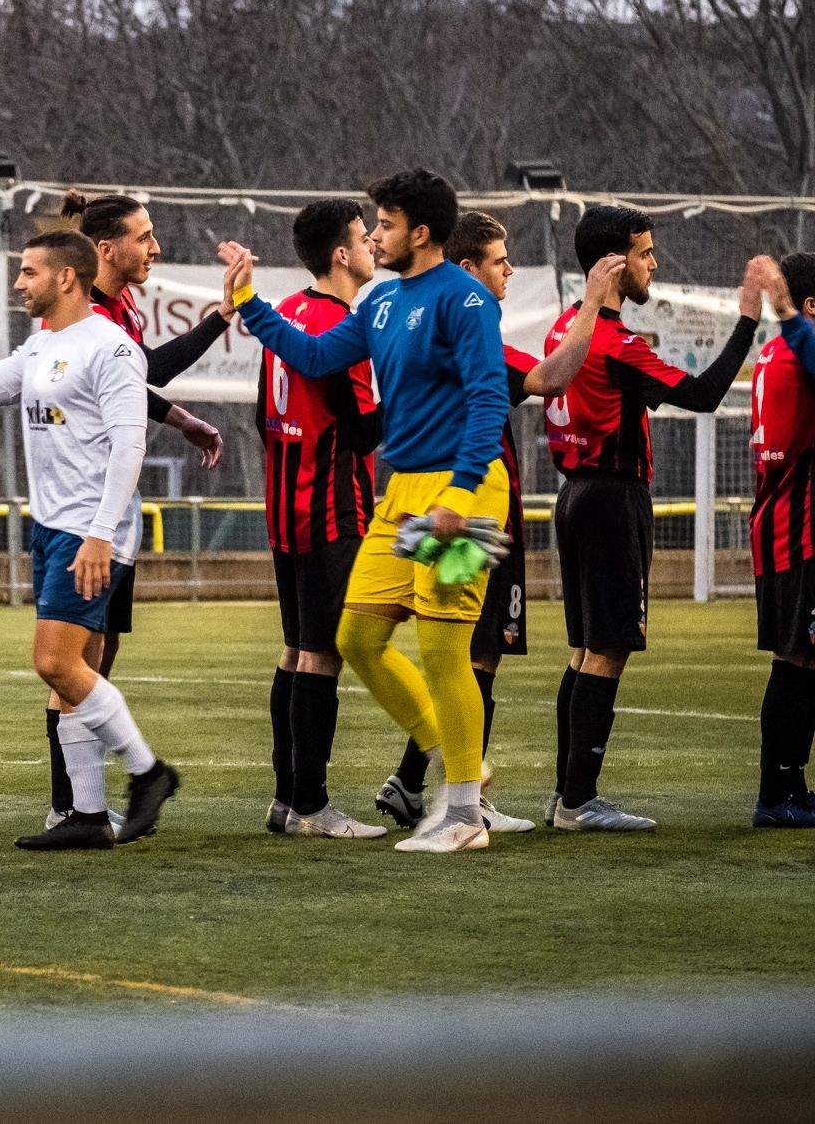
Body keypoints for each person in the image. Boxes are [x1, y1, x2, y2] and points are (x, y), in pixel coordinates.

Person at [220, 167, 509, 855]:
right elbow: (316, 354)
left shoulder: (466, 299)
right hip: (402, 495)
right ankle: (458, 762)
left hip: (463, 493)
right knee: (355, 639)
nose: (374, 236)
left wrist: (460, 493)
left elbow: (489, 398)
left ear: (421, 232)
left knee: (444, 648)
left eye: (385, 224)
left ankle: (464, 812)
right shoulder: (380, 302)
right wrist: (249, 303)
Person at [373, 214, 623, 834]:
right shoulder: (473, 340)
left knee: (459, 651)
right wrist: (592, 303)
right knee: (473, 654)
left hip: (431, 506)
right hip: (469, 519)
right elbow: (552, 378)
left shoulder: (420, 334)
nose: (509, 269)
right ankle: (447, 793)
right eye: (498, 259)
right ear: (467, 270)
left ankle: (421, 784)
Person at [0, 233, 180, 848]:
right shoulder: (42, 344)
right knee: (72, 673)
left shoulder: (112, 347)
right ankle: (87, 816)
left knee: (54, 662)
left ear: (68, 277)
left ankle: (149, 772)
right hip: (53, 526)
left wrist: (100, 535)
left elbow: (131, 444)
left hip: (91, 528)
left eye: (29, 272)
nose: (18, 283)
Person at [543, 204, 767, 832]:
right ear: (614, 264)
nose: (654, 263)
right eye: (644, 253)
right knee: (608, 649)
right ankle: (579, 802)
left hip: (574, 495)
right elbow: (702, 395)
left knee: (584, 650)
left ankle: (565, 795)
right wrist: (747, 322)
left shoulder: (565, 327)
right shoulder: (617, 344)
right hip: (612, 501)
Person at [45, 190, 227, 831]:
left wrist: (181, 421)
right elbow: (146, 368)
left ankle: (84, 806)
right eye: (143, 237)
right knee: (70, 660)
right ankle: (77, 803)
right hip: (82, 508)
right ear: (104, 248)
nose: (155, 248)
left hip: (110, 507)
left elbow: (131, 384)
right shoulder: (83, 309)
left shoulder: (117, 306)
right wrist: (221, 316)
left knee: (94, 655)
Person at [256, 199, 384, 840]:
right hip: (332, 511)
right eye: (364, 236)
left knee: (295, 650)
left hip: (285, 509)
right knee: (322, 656)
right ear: (341, 253)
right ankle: (311, 805)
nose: (372, 245)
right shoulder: (341, 328)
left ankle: (288, 800)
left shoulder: (285, 312)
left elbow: (262, 412)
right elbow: (361, 433)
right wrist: (414, 396)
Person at [748, 252, 815, 828]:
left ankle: (789, 786)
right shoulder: (802, 347)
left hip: (779, 524)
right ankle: (777, 792)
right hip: (802, 530)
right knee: (798, 661)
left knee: (799, 660)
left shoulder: (772, 352)